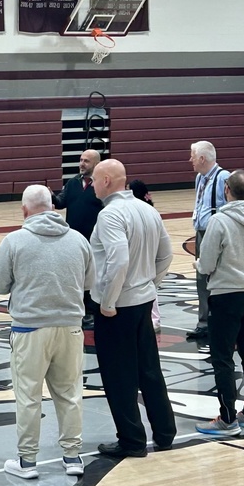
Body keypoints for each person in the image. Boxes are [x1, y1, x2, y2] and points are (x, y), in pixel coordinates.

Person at [0, 185, 92, 479]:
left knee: (28, 396)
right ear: (54, 206)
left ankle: (28, 461)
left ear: (24, 210)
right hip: (70, 328)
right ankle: (72, 457)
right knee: (70, 394)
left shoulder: (14, 241)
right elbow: (89, 282)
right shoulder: (78, 240)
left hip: (29, 329)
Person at [89, 158, 175, 458]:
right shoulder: (147, 209)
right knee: (149, 369)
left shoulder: (110, 215)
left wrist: (109, 301)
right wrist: (151, 284)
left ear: (107, 181)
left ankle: (132, 439)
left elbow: (119, 259)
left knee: (118, 375)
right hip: (143, 301)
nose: (92, 185)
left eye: (95, 179)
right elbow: (166, 254)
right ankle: (165, 432)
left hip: (119, 307)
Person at [194, 170, 244, 436]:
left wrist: (199, 265)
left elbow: (206, 263)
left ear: (226, 189)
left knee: (223, 358)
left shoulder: (219, 221)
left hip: (226, 294)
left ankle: (227, 419)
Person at [53, 149, 103, 329]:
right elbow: (61, 202)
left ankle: (91, 311)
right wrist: (51, 197)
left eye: (86, 161)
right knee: (75, 275)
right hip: (73, 240)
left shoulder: (100, 185)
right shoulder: (73, 182)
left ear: (96, 164)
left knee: (92, 276)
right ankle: (77, 308)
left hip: (94, 240)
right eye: (81, 160)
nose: (82, 163)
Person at [189, 141, 231, 343]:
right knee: (201, 278)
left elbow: (231, 206)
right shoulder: (200, 177)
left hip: (215, 233)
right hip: (201, 232)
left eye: (192, 156)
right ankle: (203, 322)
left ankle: (218, 321)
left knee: (217, 277)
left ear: (202, 158)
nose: (190, 160)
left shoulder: (223, 177)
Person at [128, 179, 161, 333]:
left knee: (148, 286)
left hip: (147, 254)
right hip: (145, 253)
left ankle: (154, 319)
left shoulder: (146, 211)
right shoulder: (142, 210)